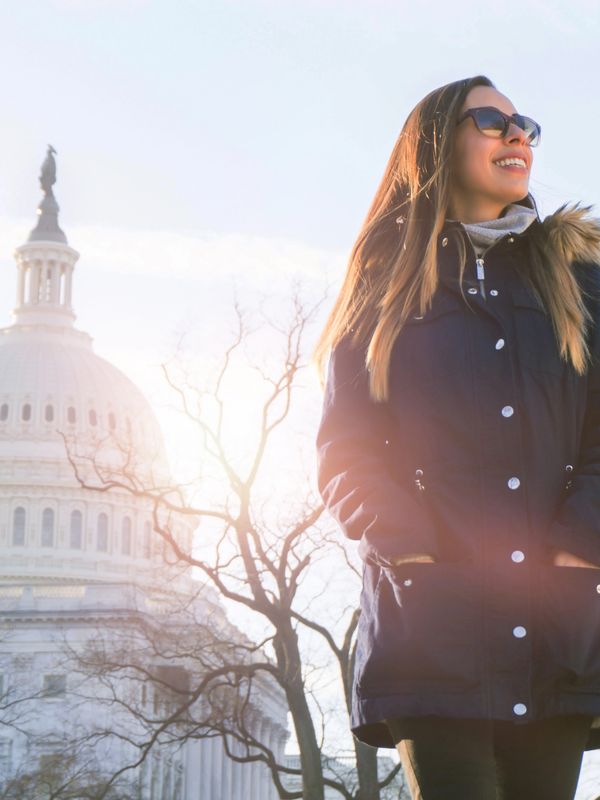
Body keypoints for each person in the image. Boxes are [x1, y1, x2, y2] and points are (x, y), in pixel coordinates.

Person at [313, 75, 600, 799]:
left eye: (525, 125)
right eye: (492, 121)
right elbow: (346, 452)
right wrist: (412, 546)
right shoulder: (383, 287)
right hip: (432, 626)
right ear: (438, 144)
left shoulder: (579, 281)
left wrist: (578, 545)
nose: (517, 137)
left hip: (555, 628)